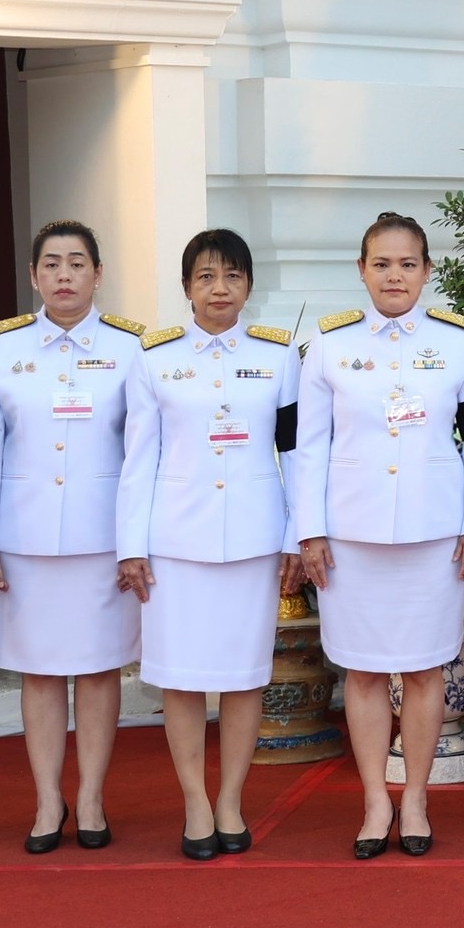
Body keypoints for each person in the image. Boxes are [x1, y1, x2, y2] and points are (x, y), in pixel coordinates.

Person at [293, 212, 464, 859]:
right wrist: (309, 531)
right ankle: (374, 800)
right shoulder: (330, 344)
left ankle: (414, 798)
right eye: (381, 263)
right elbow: (308, 447)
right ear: (361, 270)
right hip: (350, 537)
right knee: (361, 670)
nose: (394, 276)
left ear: (427, 271)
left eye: (408, 264)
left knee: (424, 668)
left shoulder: (457, 342)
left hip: (434, 536)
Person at [117, 230, 300, 861]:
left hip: (253, 539)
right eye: (205, 277)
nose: (219, 289)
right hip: (175, 543)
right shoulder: (155, 358)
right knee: (181, 679)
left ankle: (231, 801)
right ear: (186, 286)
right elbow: (138, 459)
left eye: (232, 276)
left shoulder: (279, 356)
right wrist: (131, 545)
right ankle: (195, 801)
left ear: (249, 285)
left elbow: (296, 454)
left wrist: (296, 535)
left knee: (245, 678)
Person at [0, 221, 149, 854]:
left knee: (100, 670)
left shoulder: (131, 347)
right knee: (39, 672)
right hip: (24, 536)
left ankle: (93, 796)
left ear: (98, 274)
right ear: (34, 276)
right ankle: (49, 798)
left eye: (77, 263)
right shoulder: (2, 347)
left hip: (103, 539)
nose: (65, 275)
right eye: (51, 264)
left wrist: (135, 542)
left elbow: (142, 453)